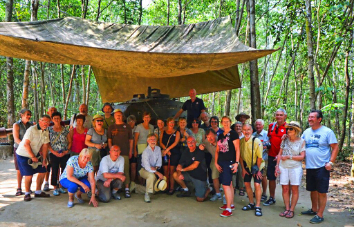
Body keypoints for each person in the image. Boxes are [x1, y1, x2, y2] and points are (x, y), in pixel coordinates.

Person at [300, 110, 338, 224]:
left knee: (321, 191)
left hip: (322, 166)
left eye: (312, 117)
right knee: (312, 189)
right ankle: (314, 209)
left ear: (319, 119)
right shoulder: (306, 132)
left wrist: (331, 162)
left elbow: (335, 147)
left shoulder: (327, 131)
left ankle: (320, 215)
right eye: (309, 117)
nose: (310, 119)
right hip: (310, 166)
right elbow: (299, 144)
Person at [16, 115, 51, 201]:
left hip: (35, 154)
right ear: (39, 121)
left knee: (43, 170)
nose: (45, 124)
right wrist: (32, 156)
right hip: (23, 154)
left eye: (47, 122)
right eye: (44, 121)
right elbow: (26, 144)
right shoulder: (31, 130)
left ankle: (38, 192)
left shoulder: (46, 131)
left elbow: (45, 145)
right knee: (29, 175)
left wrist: (44, 159)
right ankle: (27, 193)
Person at [275, 121, 305, 219]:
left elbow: (302, 156)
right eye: (287, 129)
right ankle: (287, 208)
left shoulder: (301, 141)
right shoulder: (284, 140)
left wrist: (289, 156)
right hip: (283, 167)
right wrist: (277, 166)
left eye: (291, 129)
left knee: (294, 189)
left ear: (296, 130)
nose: (288, 130)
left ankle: (292, 210)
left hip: (295, 168)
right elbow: (280, 153)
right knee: (285, 188)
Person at [215, 116, 240, 218]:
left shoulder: (233, 134)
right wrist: (216, 163)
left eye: (227, 121)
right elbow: (217, 150)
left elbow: (237, 149)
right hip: (221, 162)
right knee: (228, 183)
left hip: (229, 162)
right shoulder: (220, 135)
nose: (225, 123)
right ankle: (231, 204)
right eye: (223, 122)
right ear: (221, 123)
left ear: (230, 122)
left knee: (225, 185)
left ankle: (228, 209)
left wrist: (236, 162)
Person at [174, 136, 210, 202]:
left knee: (200, 199)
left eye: (192, 141)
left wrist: (183, 170)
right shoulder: (186, 151)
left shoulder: (200, 151)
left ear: (195, 142)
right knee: (175, 174)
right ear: (187, 143)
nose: (190, 143)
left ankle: (208, 189)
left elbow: (194, 166)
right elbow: (180, 164)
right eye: (188, 142)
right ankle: (186, 190)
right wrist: (179, 173)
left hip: (199, 177)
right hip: (189, 174)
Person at [108, 109, 133, 198]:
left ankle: (126, 189)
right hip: (114, 153)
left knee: (125, 170)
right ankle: (116, 189)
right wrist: (111, 151)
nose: (118, 117)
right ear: (114, 117)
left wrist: (130, 151)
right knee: (114, 170)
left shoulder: (127, 126)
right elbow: (109, 140)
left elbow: (131, 140)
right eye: (116, 115)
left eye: (120, 115)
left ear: (122, 116)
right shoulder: (111, 127)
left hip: (125, 151)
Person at [264, 108, 287, 206]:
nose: (279, 117)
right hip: (271, 155)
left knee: (285, 180)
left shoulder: (288, 127)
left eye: (281, 115)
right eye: (277, 115)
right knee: (271, 178)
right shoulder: (271, 126)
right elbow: (269, 138)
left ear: (285, 116)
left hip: (284, 157)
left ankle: (286, 201)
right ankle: (272, 197)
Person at [240, 124, 264, 217]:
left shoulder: (256, 141)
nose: (246, 132)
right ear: (242, 131)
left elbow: (259, 157)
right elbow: (240, 157)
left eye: (248, 130)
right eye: (244, 130)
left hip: (257, 165)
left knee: (257, 184)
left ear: (252, 130)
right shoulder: (241, 141)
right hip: (246, 165)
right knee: (246, 184)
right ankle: (251, 203)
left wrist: (257, 170)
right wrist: (242, 168)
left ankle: (258, 206)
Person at [48, 111, 71, 196]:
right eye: (55, 118)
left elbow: (70, 141)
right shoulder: (49, 130)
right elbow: (47, 143)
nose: (57, 120)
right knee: (54, 170)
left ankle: (61, 186)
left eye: (58, 118)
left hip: (65, 153)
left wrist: (66, 151)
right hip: (54, 153)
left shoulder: (65, 129)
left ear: (61, 119)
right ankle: (55, 187)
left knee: (64, 170)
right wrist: (54, 152)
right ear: (52, 119)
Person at [12, 109, 33, 196]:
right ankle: (19, 188)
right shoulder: (16, 125)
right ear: (21, 115)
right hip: (19, 149)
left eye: (30, 114)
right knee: (19, 169)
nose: (29, 116)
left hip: (29, 149)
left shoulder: (31, 125)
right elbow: (16, 139)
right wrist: (24, 146)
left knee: (29, 169)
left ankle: (28, 188)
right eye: (27, 114)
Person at [139, 134, 164, 203]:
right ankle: (147, 194)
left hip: (154, 169)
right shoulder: (145, 152)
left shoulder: (158, 149)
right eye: (151, 139)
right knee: (151, 176)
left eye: (154, 139)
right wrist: (157, 172)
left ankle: (136, 187)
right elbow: (147, 167)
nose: (153, 141)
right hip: (143, 170)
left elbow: (159, 162)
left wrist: (155, 168)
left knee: (155, 190)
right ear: (147, 141)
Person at [199, 129, 222, 201]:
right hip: (214, 160)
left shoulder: (221, 141)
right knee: (214, 176)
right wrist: (200, 147)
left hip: (224, 160)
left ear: (216, 135)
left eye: (211, 136)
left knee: (226, 178)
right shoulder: (206, 141)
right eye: (208, 137)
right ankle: (218, 194)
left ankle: (227, 196)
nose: (210, 139)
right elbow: (202, 147)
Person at [160, 117, 181, 195]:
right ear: (167, 123)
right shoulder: (163, 132)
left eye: (173, 123)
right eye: (170, 122)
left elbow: (175, 143)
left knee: (172, 171)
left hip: (174, 153)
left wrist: (167, 149)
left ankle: (171, 188)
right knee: (165, 171)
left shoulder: (177, 132)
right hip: (165, 153)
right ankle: (165, 186)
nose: (172, 124)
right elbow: (160, 142)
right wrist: (166, 150)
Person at [253, 119, 270, 201]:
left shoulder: (266, 134)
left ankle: (264, 193)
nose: (258, 126)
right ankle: (256, 191)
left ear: (263, 126)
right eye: (256, 125)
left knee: (263, 176)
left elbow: (269, 146)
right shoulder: (253, 134)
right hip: (255, 159)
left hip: (264, 158)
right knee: (255, 174)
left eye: (259, 125)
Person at [134, 112, 154, 181]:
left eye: (148, 117)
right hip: (141, 149)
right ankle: (140, 183)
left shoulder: (151, 127)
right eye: (145, 117)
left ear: (150, 118)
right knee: (140, 166)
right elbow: (135, 139)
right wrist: (135, 150)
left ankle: (146, 183)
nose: (146, 119)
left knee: (148, 166)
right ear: (143, 118)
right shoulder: (139, 127)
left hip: (149, 149)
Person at [234, 121, 245, 196]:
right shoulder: (232, 135)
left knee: (241, 172)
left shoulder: (245, 136)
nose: (238, 128)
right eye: (236, 126)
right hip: (233, 157)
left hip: (242, 157)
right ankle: (233, 188)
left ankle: (241, 188)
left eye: (239, 126)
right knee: (233, 173)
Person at [127, 115, 137, 191]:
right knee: (127, 168)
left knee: (133, 167)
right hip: (126, 151)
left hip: (134, 151)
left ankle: (133, 182)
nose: (131, 123)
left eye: (133, 121)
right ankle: (127, 183)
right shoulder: (125, 129)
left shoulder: (137, 129)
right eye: (129, 121)